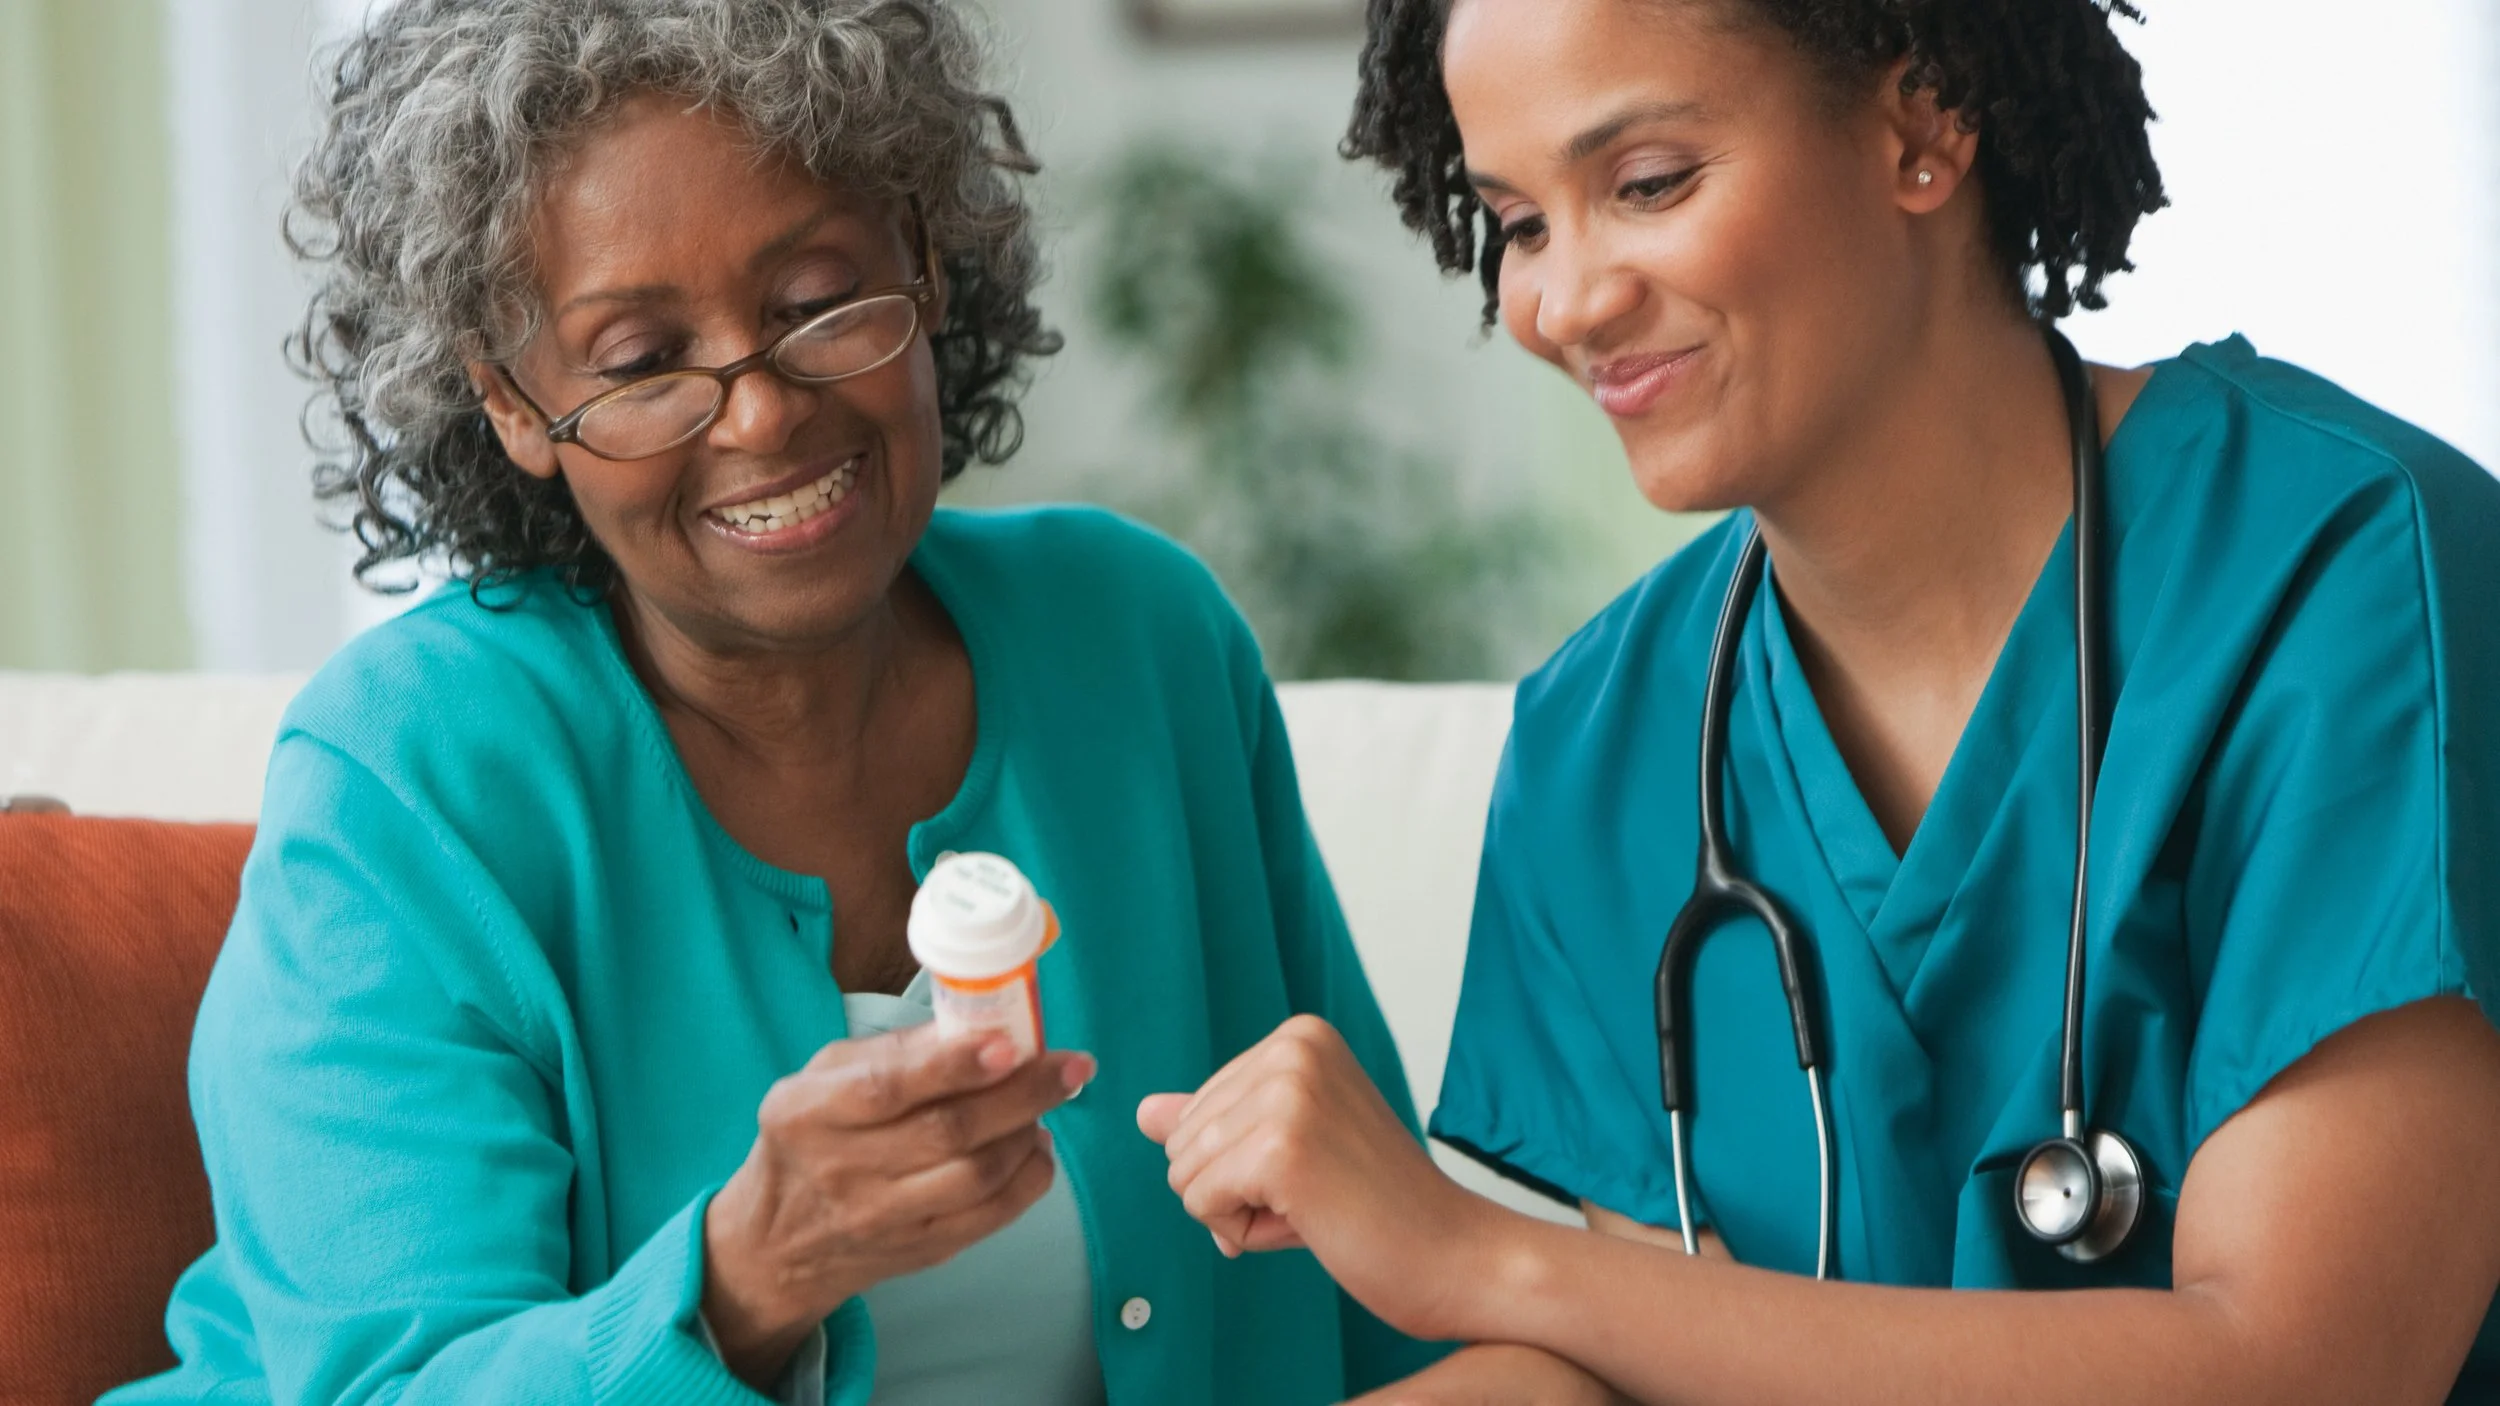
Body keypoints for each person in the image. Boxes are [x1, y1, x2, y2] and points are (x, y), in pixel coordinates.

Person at [1138, 0, 2500, 1401]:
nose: (1563, 302)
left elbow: (2305, 1370)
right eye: (1520, 224)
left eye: (1647, 184)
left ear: (1922, 126)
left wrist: (1488, 1260)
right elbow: (1658, 1377)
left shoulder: (2347, 573)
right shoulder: (1600, 750)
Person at [105, 2, 1442, 1403]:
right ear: (510, 402)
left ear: (924, 265)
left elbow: (1391, 1283)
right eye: (639, 361)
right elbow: (386, 1381)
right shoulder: (410, 769)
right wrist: (746, 1276)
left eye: (816, 302)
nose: (759, 414)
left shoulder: (1139, 644)